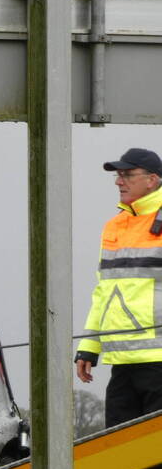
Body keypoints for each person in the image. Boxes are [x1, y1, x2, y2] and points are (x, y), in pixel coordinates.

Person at [76, 147, 162, 428]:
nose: (118, 181)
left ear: (152, 180)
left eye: (127, 175)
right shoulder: (114, 226)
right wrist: (90, 346)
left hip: (158, 362)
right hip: (122, 363)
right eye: (118, 175)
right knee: (119, 456)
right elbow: (104, 292)